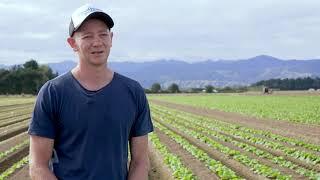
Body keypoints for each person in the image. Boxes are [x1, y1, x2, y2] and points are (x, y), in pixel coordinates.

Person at [28, 4, 154, 180]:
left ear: (111, 38)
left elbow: (140, 162)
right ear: (72, 43)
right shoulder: (53, 93)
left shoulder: (133, 92)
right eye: (87, 36)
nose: (97, 42)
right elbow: (38, 165)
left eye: (103, 34)